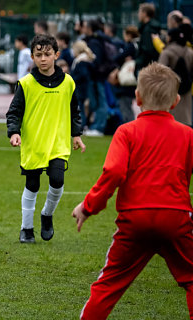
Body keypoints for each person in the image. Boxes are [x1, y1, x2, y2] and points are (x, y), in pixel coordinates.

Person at [71, 62, 193, 319]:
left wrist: (88, 206)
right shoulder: (187, 135)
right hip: (176, 218)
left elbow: (114, 172)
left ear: (137, 98)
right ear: (176, 101)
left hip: (135, 219)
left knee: (108, 285)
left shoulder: (126, 132)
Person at [6, 34, 86, 244]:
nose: (43, 59)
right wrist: (14, 132)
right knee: (32, 185)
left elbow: (74, 111)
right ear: (32, 57)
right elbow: (14, 112)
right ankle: (26, 228)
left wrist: (76, 135)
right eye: (38, 55)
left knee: (57, 181)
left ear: (56, 55)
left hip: (58, 143)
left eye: (47, 54)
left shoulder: (68, 82)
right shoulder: (26, 83)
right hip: (34, 144)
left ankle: (47, 215)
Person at [159, 24, 193, 126]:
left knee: (171, 120)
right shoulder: (190, 52)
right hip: (187, 90)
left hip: (170, 91)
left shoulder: (167, 52)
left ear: (170, 37)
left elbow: (159, 71)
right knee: (186, 118)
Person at [71, 40, 95, 127]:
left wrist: (72, 79)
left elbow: (83, 74)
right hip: (83, 88)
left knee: (80, 108)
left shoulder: (81, 61)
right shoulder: (85, 60)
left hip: (80, 89)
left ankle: (81, 125)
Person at [135, 3, 161, 75]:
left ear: (145, 13)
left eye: (139, 12)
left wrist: (139, 62)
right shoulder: (148, 28)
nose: (138, 14)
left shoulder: (148, 30)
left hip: (146, 68)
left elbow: (148, 50)